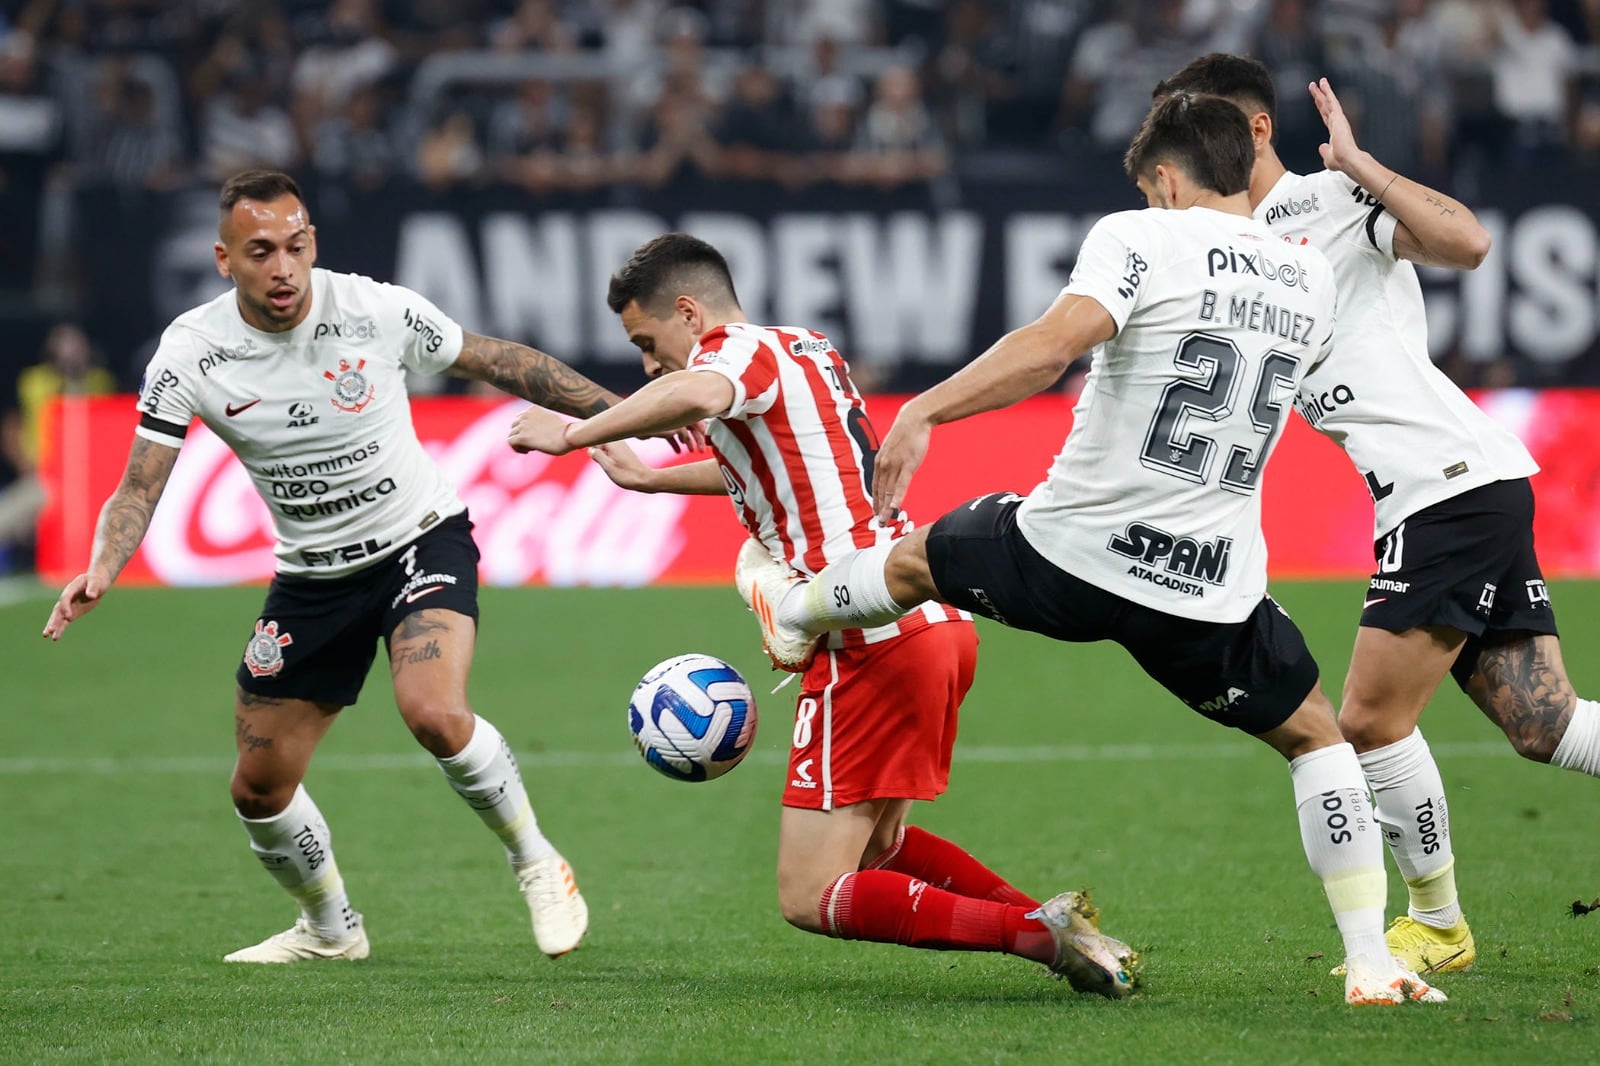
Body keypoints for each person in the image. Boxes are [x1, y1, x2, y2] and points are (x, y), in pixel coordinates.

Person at [741, 93, 1446, 1006]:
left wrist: (924, 408)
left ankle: (792, 609)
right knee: (1316, 740)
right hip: (1206, 589)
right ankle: (1369, 964)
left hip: (1073, 550)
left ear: (1164, 176)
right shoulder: (1307, 276)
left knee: (919, 559)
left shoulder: (1139, 236)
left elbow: (1052, 349)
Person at [504, 232, 1140, 999]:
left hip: (863, 629)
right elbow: (777, 464)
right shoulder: (804, 346)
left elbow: (700, 394)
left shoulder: (735, 355)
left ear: (687, 311)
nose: (647, 364)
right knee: (880, 849)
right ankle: (1065, 931)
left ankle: (1035, 936)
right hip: (929, 618)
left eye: (646, 342)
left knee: (809, 893)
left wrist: (573, 434)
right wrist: (652, 481)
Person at [40, 169, 628, 964]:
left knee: (433, 711)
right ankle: (330, 930)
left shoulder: (374, 309)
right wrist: (102, 565)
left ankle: (537, 864)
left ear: (312, 240)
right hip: (313, 578)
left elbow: (501, 361)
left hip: (420, 539)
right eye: (260, 252)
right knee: (257, 789)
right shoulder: (192, 351)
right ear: (224, 259)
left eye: (296, 245)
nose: (283, 267)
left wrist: (620, 416)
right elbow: (140, 482)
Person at [1154, 54, 1600, 976]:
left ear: (1254, 130)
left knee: (1366, 719)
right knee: (1545, 725)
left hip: (1445, 483)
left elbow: (1470, 245)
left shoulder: (1328, 203)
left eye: (1197, 132)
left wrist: (1361, 165)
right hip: (1454, 484)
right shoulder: (1225, 242)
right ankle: (1438, 924)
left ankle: (1437, 926)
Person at [0, 324, 116, 566]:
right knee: (9, 518)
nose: (71, 350)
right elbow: (12, 426)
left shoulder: (100, 381)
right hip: (47, 476)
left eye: (76, 344)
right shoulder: (33, 381)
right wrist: (24, 462)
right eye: (64, 344)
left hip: (90, 482)